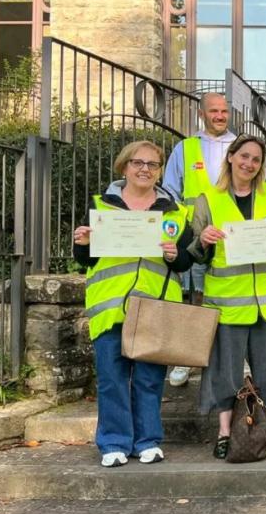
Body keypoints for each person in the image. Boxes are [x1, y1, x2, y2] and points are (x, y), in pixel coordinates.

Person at [188, 134, 266, 459]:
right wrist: (203, 240)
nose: (249, 163)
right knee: (225, 372)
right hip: (228, 301)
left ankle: (259, 432)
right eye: (244, 156)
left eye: (256, 159)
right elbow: (195, 253)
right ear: (231, 157)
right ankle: (225, 433)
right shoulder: (207, 199)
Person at [73, 141, 193, 467]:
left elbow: (186, 261)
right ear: (124, 166)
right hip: (110, 307)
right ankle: (114, 442)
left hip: (155, 307)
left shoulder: (176, 211)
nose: (145, 169)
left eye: (153, 165)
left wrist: (175, 255)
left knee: (149, 379)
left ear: (160, 171)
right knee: (112, 379)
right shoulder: (101, 206)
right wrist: (82, 243)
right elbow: (85, 259)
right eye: (138, 163)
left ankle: (147, 441)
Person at [164, 92, 236, 387]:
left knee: (231, 293)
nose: (219, 116)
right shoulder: (185, 148)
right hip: (195, 236)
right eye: (214, 111)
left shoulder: (239, 146)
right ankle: (186, 357)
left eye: (224, 111)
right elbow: (171, 192)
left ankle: (234, 357)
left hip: (231, 235)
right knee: (194, 295)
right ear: (201, 114)